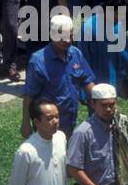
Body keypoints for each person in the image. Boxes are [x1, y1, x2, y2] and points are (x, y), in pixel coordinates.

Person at [22, 8, 95, 139]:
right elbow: (29, 95)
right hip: (48, 124)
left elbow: (87, 81)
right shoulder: (38, 61)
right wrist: (25, 123)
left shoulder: (75, 53)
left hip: (69, 120)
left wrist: (102, 99)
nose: (67, 40)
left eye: (70, 36)